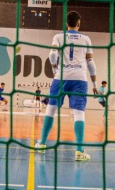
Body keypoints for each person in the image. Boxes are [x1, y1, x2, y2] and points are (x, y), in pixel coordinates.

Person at [35, 11, 98, 162]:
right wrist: (95, 84)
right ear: (79, 23)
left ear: (66, 24)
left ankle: (42, 144)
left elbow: (52, 56)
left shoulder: (58, 37)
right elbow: (90, 63)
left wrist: (54, 69)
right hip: (80, 80)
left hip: (61, 78)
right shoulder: (86, 39)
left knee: (51, 110)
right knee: (78, 113)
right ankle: (79, 151)